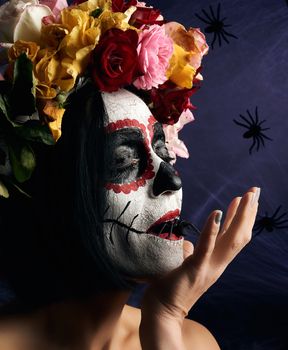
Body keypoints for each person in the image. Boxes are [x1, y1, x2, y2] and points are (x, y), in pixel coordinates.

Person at [0, 1, 260, 349]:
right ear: (56, 191)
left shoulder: (193, 341)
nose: (172, 179)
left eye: (164, 153)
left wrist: (165, 320)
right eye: (126, 159)